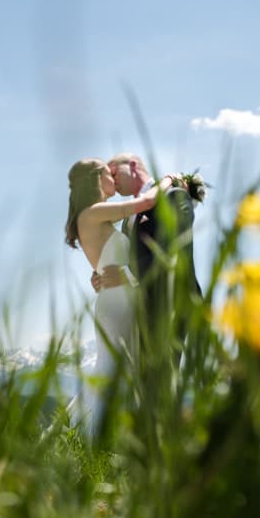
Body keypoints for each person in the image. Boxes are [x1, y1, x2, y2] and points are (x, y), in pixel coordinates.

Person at [64, 158, 170, 438]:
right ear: (97, 180)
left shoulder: (92, 216)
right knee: (114, 369)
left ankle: (107, 435)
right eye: (108, 173)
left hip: (117, 298)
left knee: (117, 367)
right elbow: (145, 204)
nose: (113, 177)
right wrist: (170, 180)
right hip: (117, 303)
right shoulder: (94, 212)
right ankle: (94, 437)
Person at [92, 154, 202, 370]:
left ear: (132, 166)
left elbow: (174, 247)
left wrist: (126, 274)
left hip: (170, 300)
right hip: (140, 307)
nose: (111, 181)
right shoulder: (128, 218)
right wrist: (103, 276)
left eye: (113, 172)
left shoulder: (174, 195)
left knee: (161, 378)